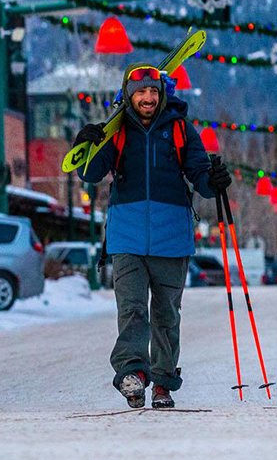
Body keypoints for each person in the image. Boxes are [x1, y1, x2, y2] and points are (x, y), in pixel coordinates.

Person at [75, 62, 230, 409]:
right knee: (131, 310)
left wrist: (215, 181)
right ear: (129, 97)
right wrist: (86, 143)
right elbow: (91, 174)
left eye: (153, 92)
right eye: (141, 92)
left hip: (172, 235)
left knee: (166, 314)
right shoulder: (116, 130)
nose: (147, 98)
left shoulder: (180, 129)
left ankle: (162, 382)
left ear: (161, 95)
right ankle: (132, 373)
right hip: (126, 234)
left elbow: (201, 177)